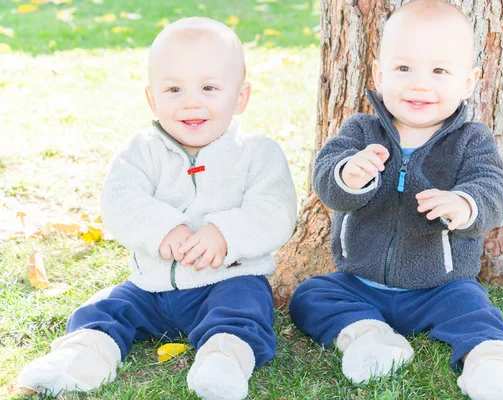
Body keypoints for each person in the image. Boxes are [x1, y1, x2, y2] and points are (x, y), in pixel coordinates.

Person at [18, 17, 297, 400]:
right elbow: (120, 201)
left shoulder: (257, 154)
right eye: (174, 89)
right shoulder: (141, 152)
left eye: (210, 87)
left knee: (244, 311)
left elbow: (275, 210)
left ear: (241, 97)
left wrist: (225, 232)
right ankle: (81, 359)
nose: (191, 102)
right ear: (152, 99)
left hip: (227, 281)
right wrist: (164, 228)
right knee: (106, 307)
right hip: (151, 286)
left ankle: (223, 361)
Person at [288, 1, 503, 399]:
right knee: (310, 296)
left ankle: (490, 365)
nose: (419, 84)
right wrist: (349, 174)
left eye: (439, 71)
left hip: (440, 287)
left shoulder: (471, 140)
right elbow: (326, 179)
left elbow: (493, 188)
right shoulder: (362, 131)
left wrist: (465, 205)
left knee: (475, 311)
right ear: (380, 75)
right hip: (359, 283)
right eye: (403, 69)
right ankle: (370, 338)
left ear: (468, 82)